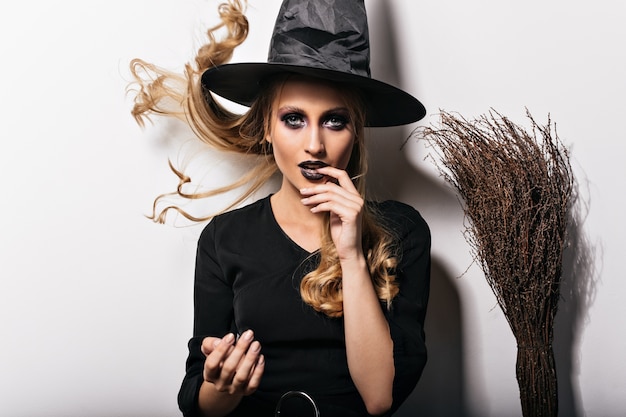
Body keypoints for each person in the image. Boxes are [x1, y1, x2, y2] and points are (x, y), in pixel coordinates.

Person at [129, 0, 431, 416]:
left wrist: (351, 255)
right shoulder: (225, 238)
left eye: (334, 120)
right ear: (266, 127)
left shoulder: (402, 230)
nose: (314, 144)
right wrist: (224, 386)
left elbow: (380, 399)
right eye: (293, 119)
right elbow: (197, 401)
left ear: (356, 132)